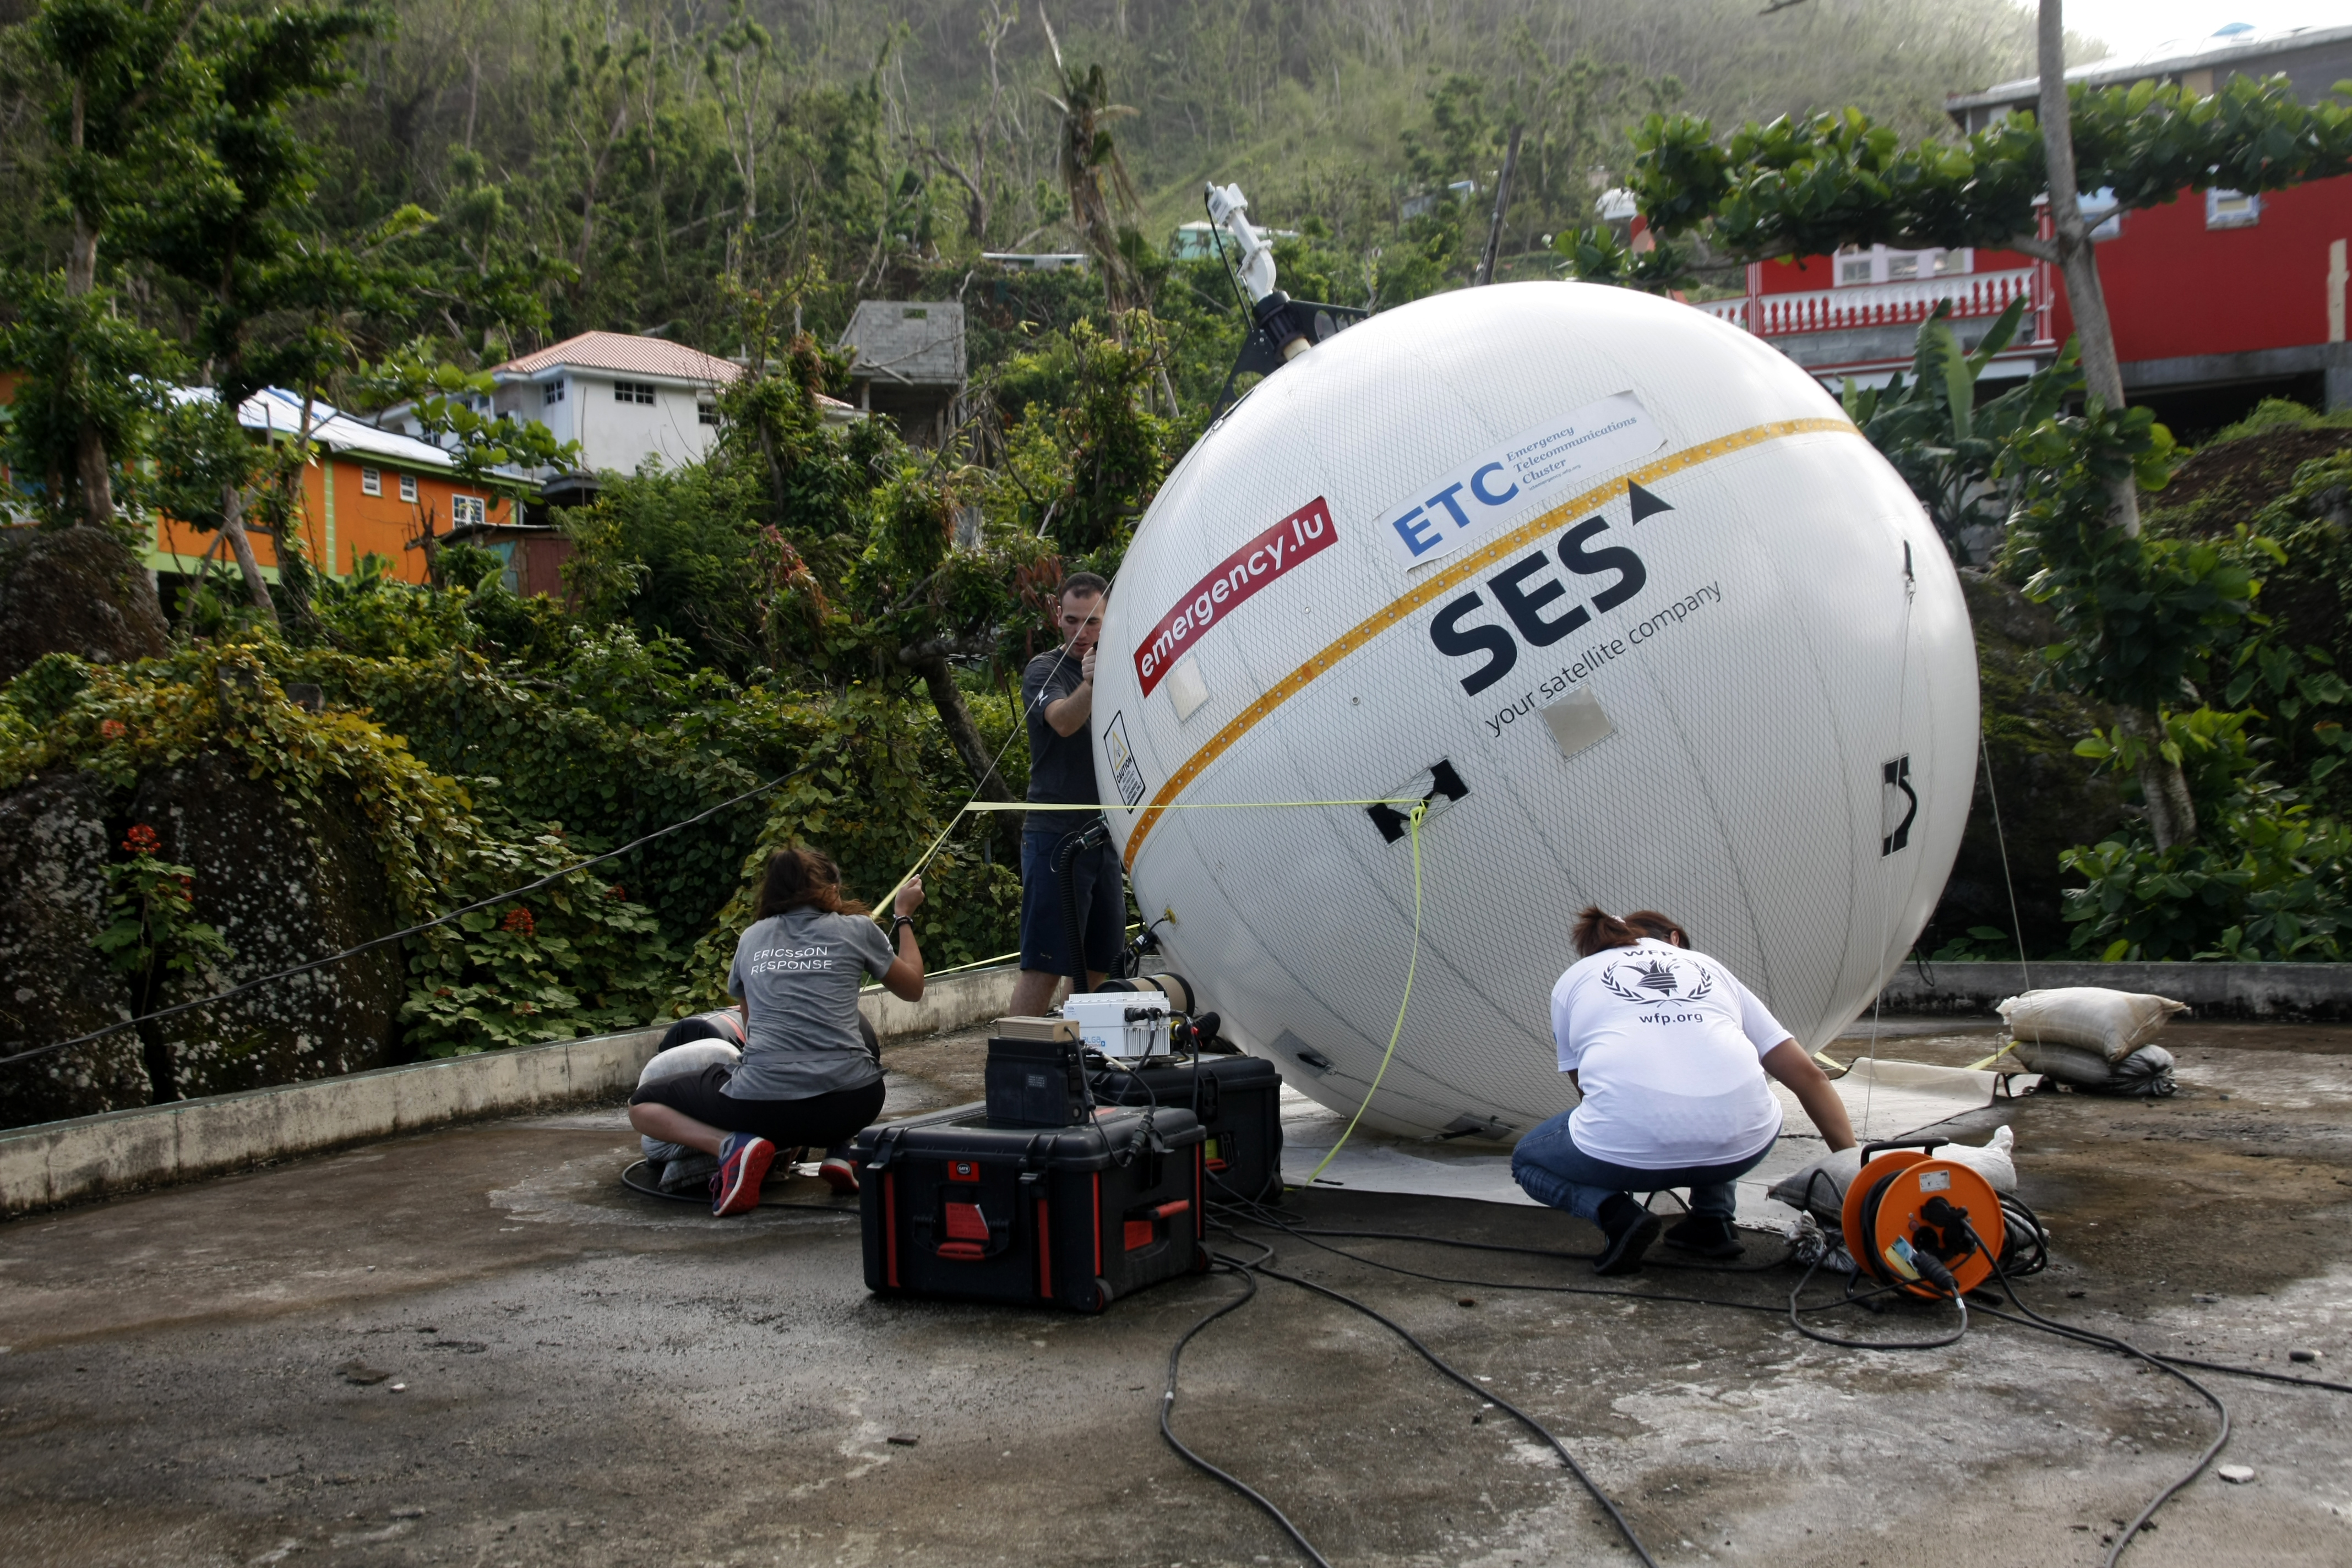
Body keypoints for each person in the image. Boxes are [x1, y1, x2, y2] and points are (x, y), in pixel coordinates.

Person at [1512, 906, 1856, 1276]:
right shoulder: (1709, 968)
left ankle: (1618, 1216)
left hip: (1628, 1151)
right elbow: (1810, 1078)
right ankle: (1713, 1223)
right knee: (1721, 1092)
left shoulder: (1574, 979)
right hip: (1745, 1146)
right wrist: (1859, 1180)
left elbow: (1586, 1090)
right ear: (1675, 939)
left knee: (1528, 1160)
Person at [629, 850, 924, 1216]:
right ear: (829, 887)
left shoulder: (752, 938)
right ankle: (841, 1150)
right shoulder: (858, 929)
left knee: (642, 1103)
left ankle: (731, 1146)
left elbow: (751, 1032)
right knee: (855, 1035)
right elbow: (913, 989)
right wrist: (904, 916)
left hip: (764, 1111)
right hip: (855, 1104)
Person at [1007, 572, 1123, 1016]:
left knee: (1098, 966)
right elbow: (1062, 721)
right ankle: (1012, 1072)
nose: (1081, 633)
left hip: (1105, 834)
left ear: (1109, 620)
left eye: (1092, 623)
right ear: (1058, 616)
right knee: (1045, 965)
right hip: (1055, 834)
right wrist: (1091, 685)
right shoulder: (1044, 669)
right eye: (1072, 621)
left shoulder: (1120, 667)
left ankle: (1079, 1066)